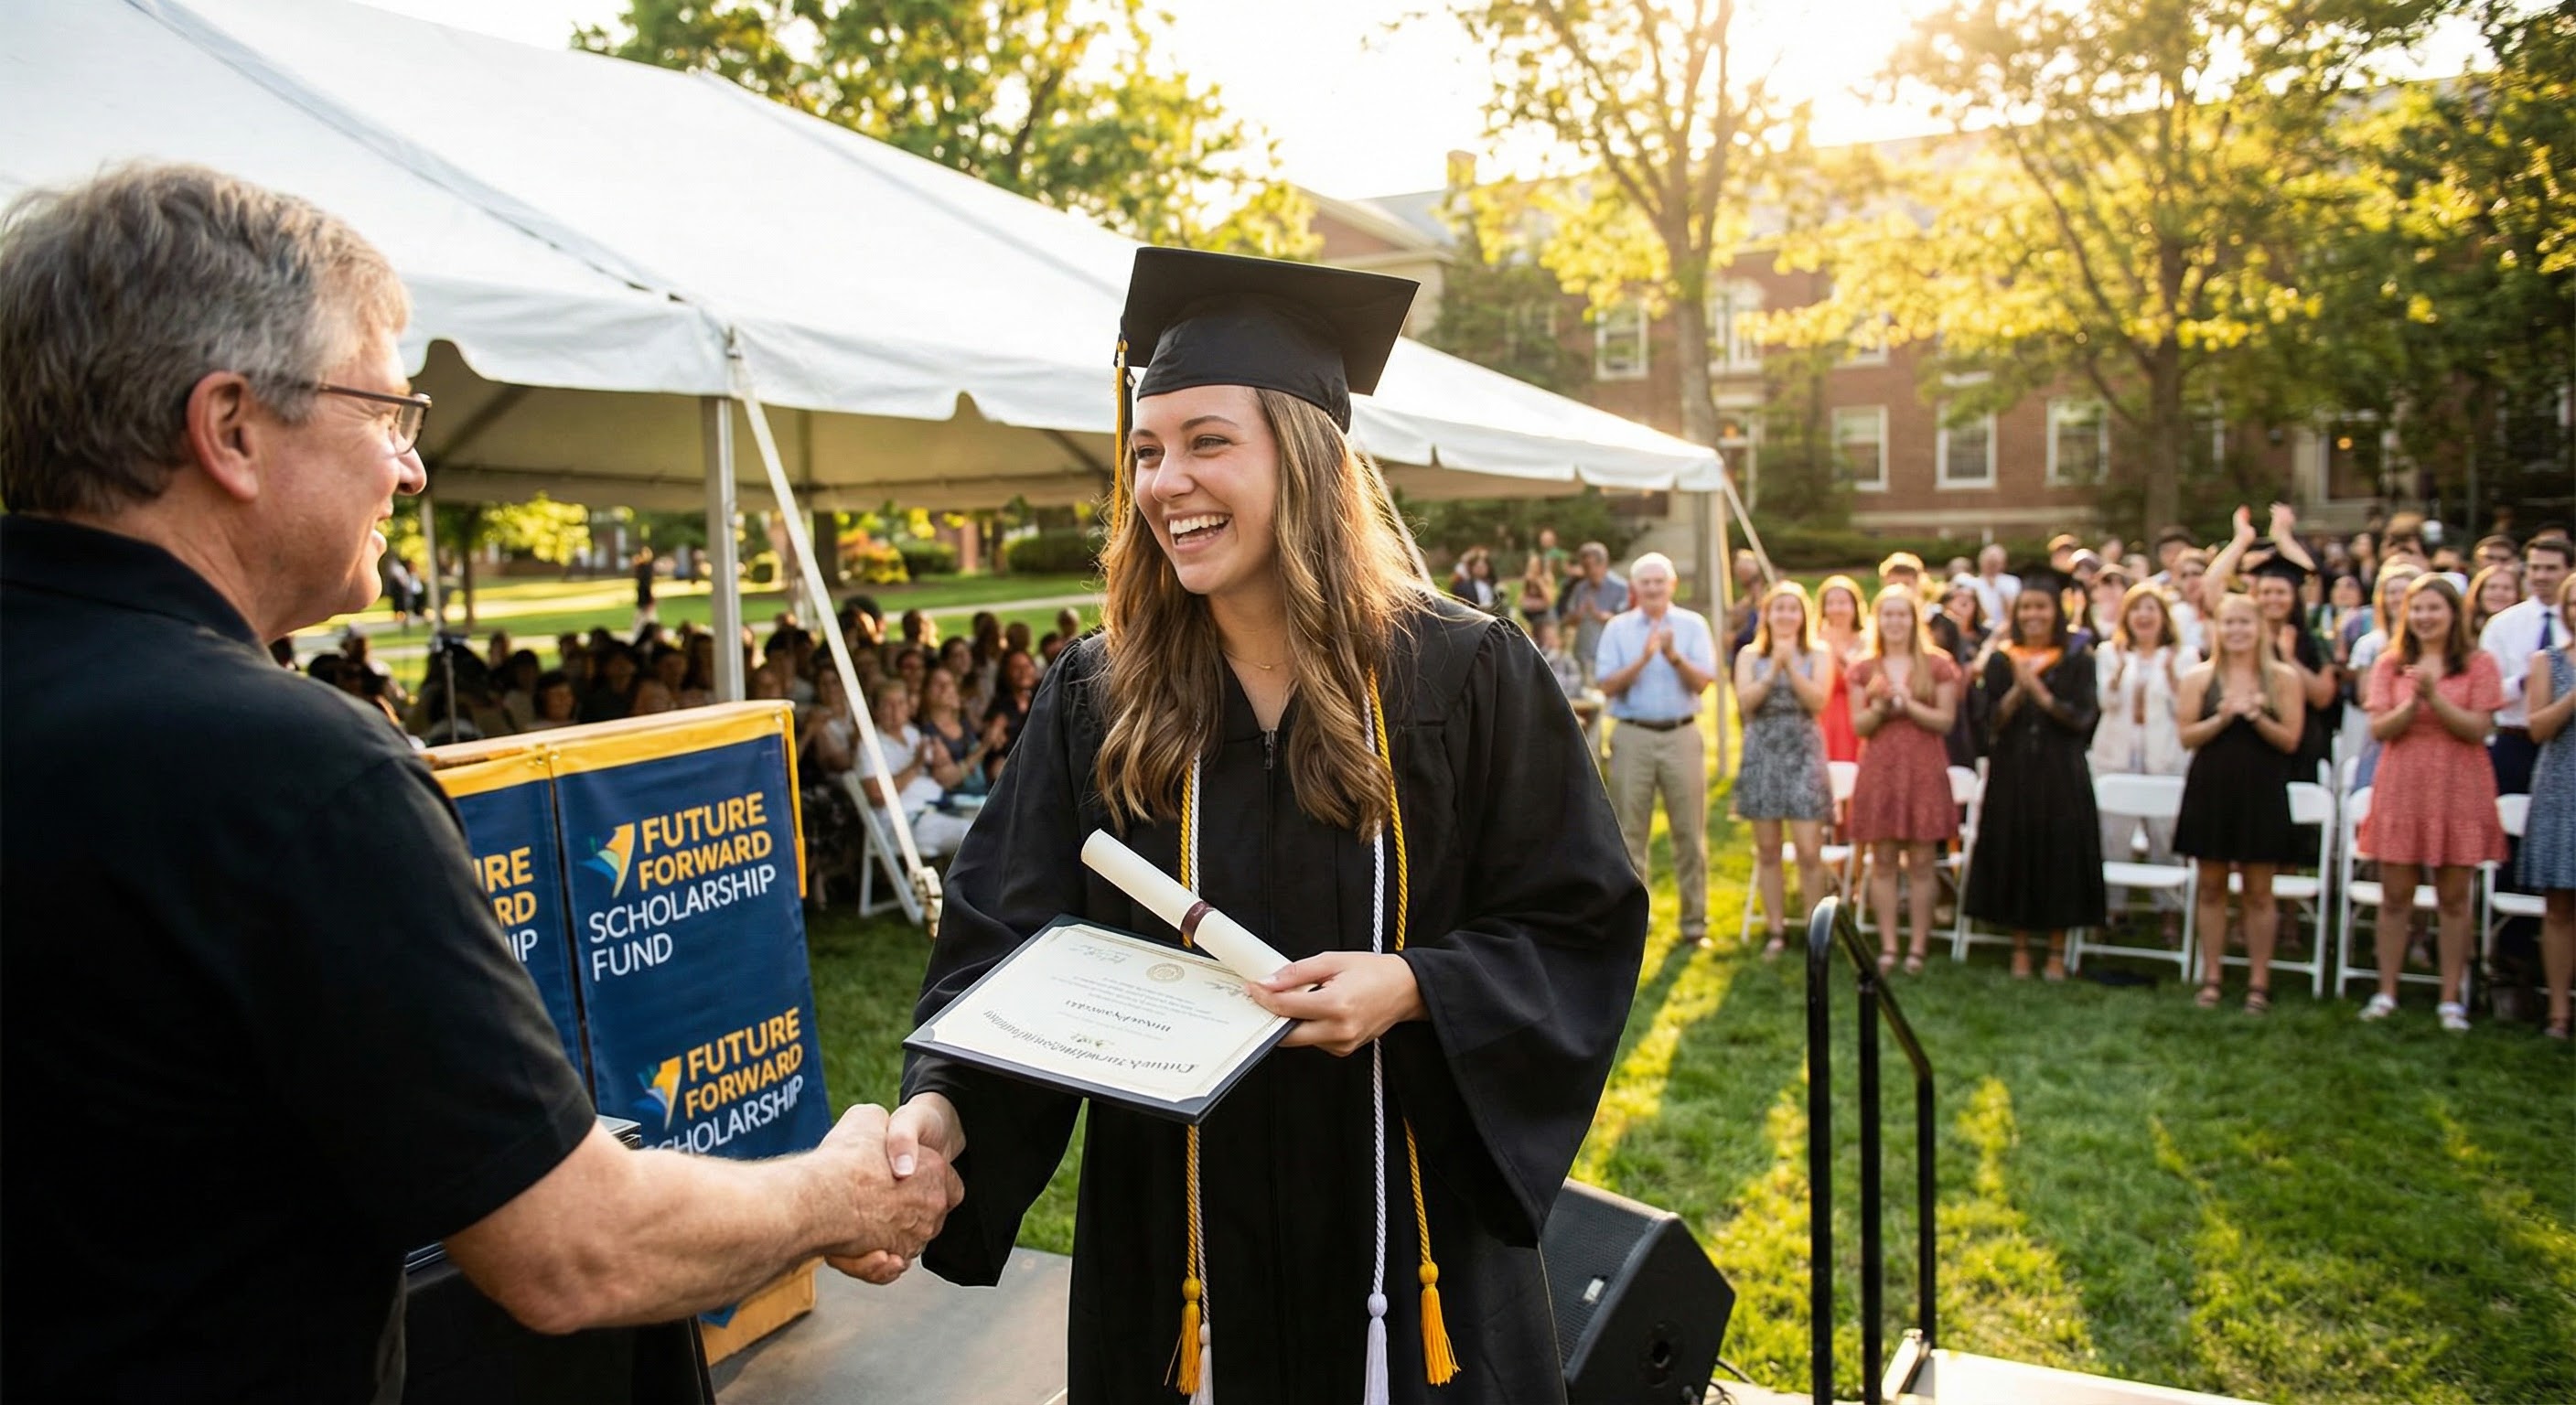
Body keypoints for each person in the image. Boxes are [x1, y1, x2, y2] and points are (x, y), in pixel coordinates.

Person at [0, 163, 957, 1403]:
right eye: (387, 413)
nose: (412, 470)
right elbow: (574, 1249)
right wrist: (840, 1193)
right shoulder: (294, 771)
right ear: (230, 428)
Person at [890, 248, 1646, 1404]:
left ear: (1300, 456)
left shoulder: (1462, 678)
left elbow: (1576, 919)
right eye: (1144, 451)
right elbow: (1002, 943)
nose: (1162, 482)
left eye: (1204, 441)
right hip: (1178, 1236)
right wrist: (943, 1111)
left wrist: (1411, 987)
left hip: (1404, 1229)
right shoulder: (1099, 695)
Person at [2357, 575, 2507, 1030]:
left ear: (2453, 614)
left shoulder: (2479, 664)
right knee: (2395, 895)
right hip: (2403, 781)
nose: (2424, 617)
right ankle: (2386, 992)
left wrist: (2433, 697)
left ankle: (2450, 998)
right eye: (2417, 609)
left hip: (2459, 782)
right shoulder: (2390, 664)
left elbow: (2477, 729)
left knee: (2454, 897)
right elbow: (2381, 730)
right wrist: (2412, 704)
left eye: (2434, 609)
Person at [1964, 574, 2106, 979]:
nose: (2033, 615)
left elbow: (2083, 718)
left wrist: (2042, 696)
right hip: (2013, 773)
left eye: (2041, 607)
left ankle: (2058, 951)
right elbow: (1988, 722)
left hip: (2062, 772)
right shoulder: (2001, 659)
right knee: (2016, 851)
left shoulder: (2078, 656)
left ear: (2055, 611)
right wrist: (2017, 691)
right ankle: (2021, 947)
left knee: (2059, 854)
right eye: (2025, 607)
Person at [2173, 594, 2307, 1013]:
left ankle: (2258, 980)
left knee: (2258, 891)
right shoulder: (2198, 678)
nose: (2236, 631)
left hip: (2261, 788)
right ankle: (2212, 976)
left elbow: (2290, 741)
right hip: (2211, 786)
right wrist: (2223, 716)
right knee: (2211, 885)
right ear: (2217, 629)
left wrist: (2256, 715)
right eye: (2228, 623)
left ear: (2260, 628)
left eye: (2244, 623)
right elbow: (2187, 736)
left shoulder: (2283, 678)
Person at [1601, 552, 1721, 945]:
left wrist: (1671, 656)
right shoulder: (1618, 629)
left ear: (1672, 586)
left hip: (1681, 734)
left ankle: (1694, 923)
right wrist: (1645, 658)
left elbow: (1704, 681)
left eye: (1659, 581)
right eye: (1645, 582)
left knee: (1689, 831)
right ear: (1635, 588)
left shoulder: (1692, 626)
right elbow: (1607, 684)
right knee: (1630, 833)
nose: (1652, 588)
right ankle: (1636, 923)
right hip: (1632, 734)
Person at [1847, 585, 1962, 973]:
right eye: (1888, 614)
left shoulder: (1939, 664)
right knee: (1881, 859)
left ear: (1914, 620)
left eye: (1902, 614)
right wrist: (1881, 706)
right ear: (1877, 620)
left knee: (1923, 860)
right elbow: (1859, 725)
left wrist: (1907, 703)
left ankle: (1918, 945)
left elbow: (1945, 721)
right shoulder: (1864, 667)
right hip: (1880, 769)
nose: (1895, 622)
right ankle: (1889, 945)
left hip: (1923, 769)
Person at [1732, 581, 1835, 957]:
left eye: (1793, 608)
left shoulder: (1818, 653)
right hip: (1763, 751)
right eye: (1780, 608)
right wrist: (1772, 668)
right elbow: (1746, 703)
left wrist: (1791, 666)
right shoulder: (1749, 656)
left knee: (1809, 849)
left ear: (1803, 615)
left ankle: (1815, 930)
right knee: (1768, 849)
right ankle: (1775, 930)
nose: (1786, 615)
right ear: (1768, 614)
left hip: (1804, 750)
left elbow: (1817, 702)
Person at [2088, 583, 2195, 931]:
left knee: (2165, 835)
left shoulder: (2183, 656)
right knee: (2113, 836)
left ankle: (2169, 912)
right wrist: (2118, 674)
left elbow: (2186, 709)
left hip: (2163, 754)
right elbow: (2105, 703)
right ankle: (2113, 910)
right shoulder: (2109, 652)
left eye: (2151, 609)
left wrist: (2173, 679)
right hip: (2117, 753)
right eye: (2137, 609)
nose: (2144, 616)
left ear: (2163, 617)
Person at [2517, 575, 2576, 1040]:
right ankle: (2558, 1011)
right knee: (2558, 906)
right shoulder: (2548, 661)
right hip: (2562, 785)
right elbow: (2537, 729)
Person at [2481, 535, 2573, 797]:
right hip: (2515, 741)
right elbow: (2487, 692)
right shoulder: (2503, 625)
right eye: (2534, 568)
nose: (2541, 576)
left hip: (2568, 744)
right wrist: (2524, 682)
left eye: (2551, 568)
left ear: (2570, 570)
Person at [1816, 574, 1867, 766]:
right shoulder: (1816, 641)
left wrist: (1841, 656)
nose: (1837, 608)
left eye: (1843, 602)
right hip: (1826, 716)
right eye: (1831, 603)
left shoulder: (1866, 640)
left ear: (1854, 606)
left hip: (1858, 711)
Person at [1562, 542, 1627, 687]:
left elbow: (1625, 620)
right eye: (1584, 567)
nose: (1588, 572)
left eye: (1591, 566)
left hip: (1610, 655)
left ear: (1604, 564)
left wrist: (1597, 614)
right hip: (1583, 654)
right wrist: (1577, 615)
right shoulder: (1580, 588)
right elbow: (1566, 619)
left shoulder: (1620, 587)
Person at [1517, 545, 1558, 627]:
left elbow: (1549, 600)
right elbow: (1520, 599)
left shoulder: (1547, 577)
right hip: (1528, 615)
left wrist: (1539, 583)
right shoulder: (1528, 579)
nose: (1531, 567)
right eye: (1530, 564)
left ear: (1540, 566)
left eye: (1534, 564)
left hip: (1543, 617)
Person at [630, 545, 657, 625]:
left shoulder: (646, 568)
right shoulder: (642, 567)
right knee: (645, 618)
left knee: (646, 618)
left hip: (645, 596)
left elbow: (646, 584)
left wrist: (650, 600)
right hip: (643, 596)